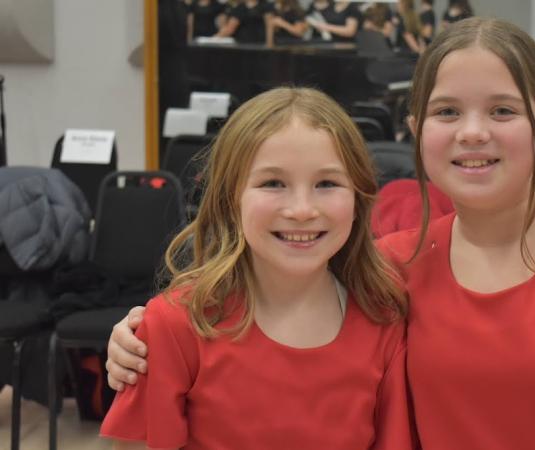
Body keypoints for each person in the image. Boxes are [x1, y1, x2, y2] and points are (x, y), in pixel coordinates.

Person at [106, 18, 535, 450]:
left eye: (502, 111)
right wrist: (142, 335)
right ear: (418, 131)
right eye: (448, 112)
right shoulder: (388, 268)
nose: (473, 133)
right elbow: (271, 305)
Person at [99, 87, 412, 450]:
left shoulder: (383, 322)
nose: (301, 210)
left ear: (358, 198)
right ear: (231, 198)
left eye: (326, 183)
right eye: (273, 183)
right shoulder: (175, 325)